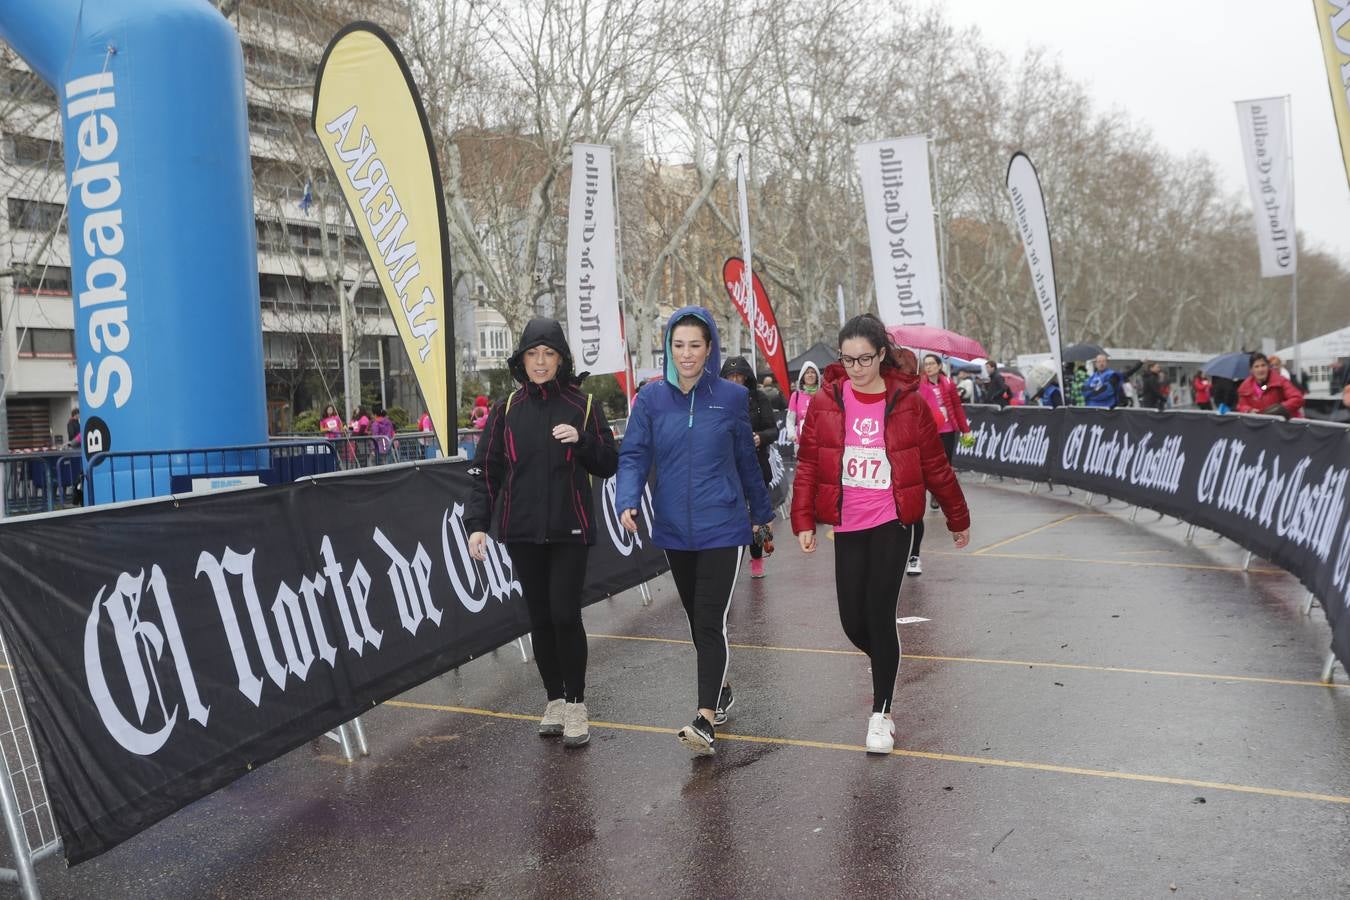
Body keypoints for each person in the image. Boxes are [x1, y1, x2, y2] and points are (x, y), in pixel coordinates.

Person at [792, 315, 971, 754]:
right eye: (848, 359)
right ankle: (886, 664)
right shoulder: (827, 401)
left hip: (892, 520)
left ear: (881, 354)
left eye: (865, 359)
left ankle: (881, 714)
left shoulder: (908, 402)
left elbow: (934, 465)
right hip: (847, 523)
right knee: (852, 621)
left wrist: (957, 516)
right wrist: (802, 521)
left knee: (879, 612)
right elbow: (810, 464)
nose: (856, 367)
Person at [616, 307, 773, 756]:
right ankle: (720, 686)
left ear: (710, 349)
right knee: (695, 618)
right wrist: (627, 498)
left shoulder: (730, 397)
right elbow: (634, 455)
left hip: (724, 525)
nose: (686, 354)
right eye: (678, 345)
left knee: (708, 618)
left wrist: (760, 515)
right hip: (672, 529)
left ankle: (704, 718)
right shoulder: (650, 399)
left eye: (695, 345)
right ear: (669, 347)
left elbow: (746, 460)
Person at [466, 318, 618, 748]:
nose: (540, 362)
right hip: (522, 531)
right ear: (522, 359)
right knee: (540, 619)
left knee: (565, 615)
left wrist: (583, 441)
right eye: (533, 354)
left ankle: (576, 704)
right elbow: (486, 472)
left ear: (561, 359)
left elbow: (609, 462)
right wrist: (477, 525)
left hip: (570, 529)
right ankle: (553, 698)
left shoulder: (583, 405)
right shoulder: (506, 409)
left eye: (548, 354)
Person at [912, 353, 973, 571]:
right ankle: (934, 494)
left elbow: (957, 407)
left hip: (948, 431)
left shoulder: (948, 384)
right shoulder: (920, 386)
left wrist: (965, 429)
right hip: (930, 432)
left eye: (931, 364)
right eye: (925, 364)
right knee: (930, 467)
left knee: (944, 466)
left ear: (939, 366)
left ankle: (936, 495)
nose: (928, 368)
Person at [721, 356, 780, 579]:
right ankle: (729, 564)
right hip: (728, 469)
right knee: (731, 516)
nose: (735, 380)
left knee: (758, 515)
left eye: (739, 376)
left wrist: (760, 438)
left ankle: (757, 558)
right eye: (731, 376)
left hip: (757, 465)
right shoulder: (718, 400)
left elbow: (773, 430)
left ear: (747, 377)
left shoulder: (759, 398)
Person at [1237, 352, 1304, 419]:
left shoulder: (1280, 381)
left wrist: (1280, 408)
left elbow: (1297, 398)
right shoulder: (1245, 387)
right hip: (1258, 424)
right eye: (1256, 366)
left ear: (1268, 367)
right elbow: (1241, 406)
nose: (1260, 369)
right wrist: (1249, 410)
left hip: (1281, 425)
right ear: (1251, 370)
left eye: (1263, 365)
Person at [787, 361, 821, 442]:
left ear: (817, 376)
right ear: (802, 376)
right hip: (802, 443)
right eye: (807, 373)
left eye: (813, 372)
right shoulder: (796, 396)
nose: (810, 375)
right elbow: (790, 419)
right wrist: (792, 434)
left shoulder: (823, 394)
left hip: (821, 443)